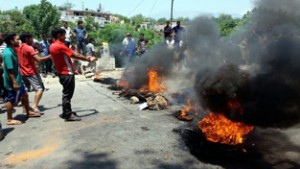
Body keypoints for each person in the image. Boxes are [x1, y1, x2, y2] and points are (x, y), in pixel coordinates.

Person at [49, 28, 96, 122]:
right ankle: (68, 115)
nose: (65, 37)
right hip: (67, 73)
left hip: (61, 73)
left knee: (66, 94)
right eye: (64, 35)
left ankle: (66, 112)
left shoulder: (52, 45)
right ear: (59, 35)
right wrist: (88, 59)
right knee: (67, 95)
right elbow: (74, 55)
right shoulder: (60, 46)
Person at [3, 33, 41, 125]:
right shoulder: (8, 53)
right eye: (16, 39)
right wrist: (14, 82)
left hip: (18, 79)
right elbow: (9, 69)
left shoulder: (12, 50)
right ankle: (9, 119)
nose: (19, 41)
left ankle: (28, 112)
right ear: (12, 41)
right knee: (11, 100)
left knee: (25, 95)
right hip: (12, 81)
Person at [18, 32, 51, 113]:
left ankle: (25, 108)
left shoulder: (18, 47)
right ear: (27, 39)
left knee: (25, 91)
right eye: (31, 38)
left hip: (23, 72)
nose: (32, 40)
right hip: (31, 72)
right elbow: (39, 59)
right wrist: (50, 56)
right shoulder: (29, 48)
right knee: (40, 89)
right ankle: (34, 106)